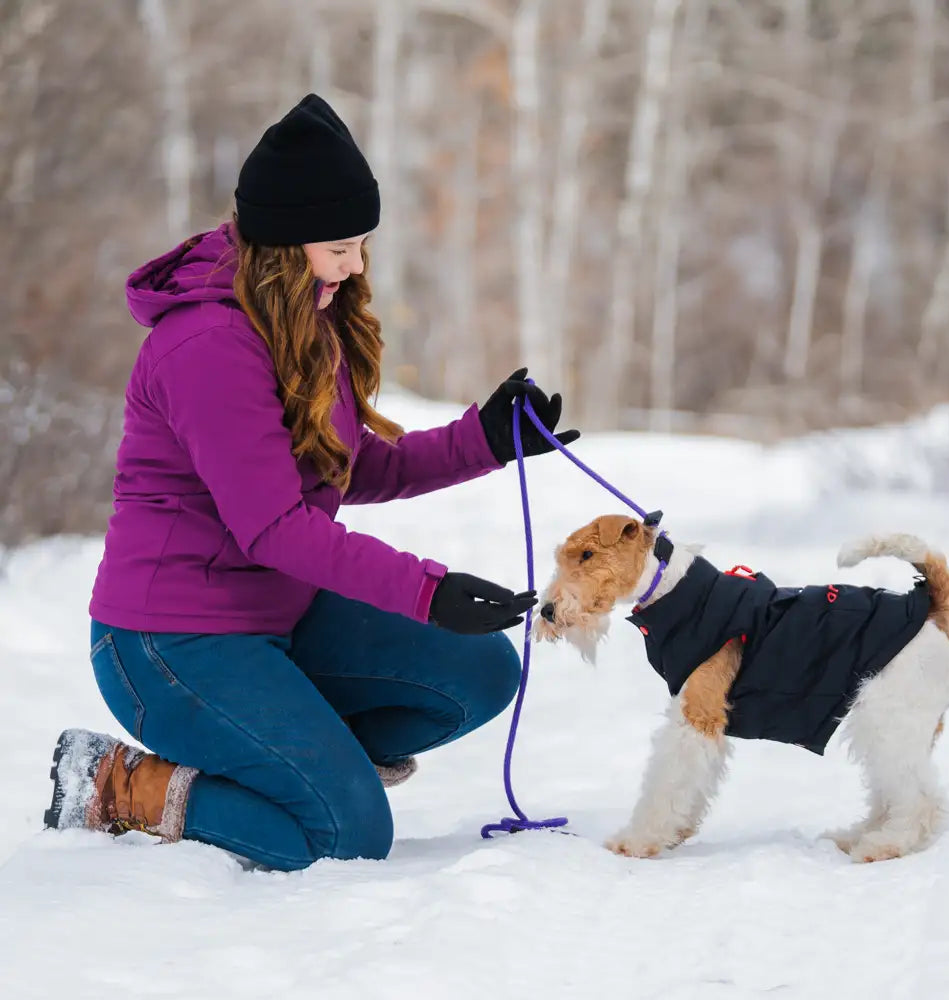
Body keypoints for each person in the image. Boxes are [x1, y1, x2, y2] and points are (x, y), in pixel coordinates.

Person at [42, 93, 579, 872]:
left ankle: (304, 768)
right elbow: (277, 527)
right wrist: (428, 589)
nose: (356, 264)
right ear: (283, 244)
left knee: (480, 672)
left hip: (276, 617)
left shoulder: (302, 315)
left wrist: (486, 441)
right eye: (340, 246)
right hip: (171, 641)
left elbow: (348, 468)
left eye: (361, 243)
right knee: (346, 836)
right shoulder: (206, 345)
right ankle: (124, 784)